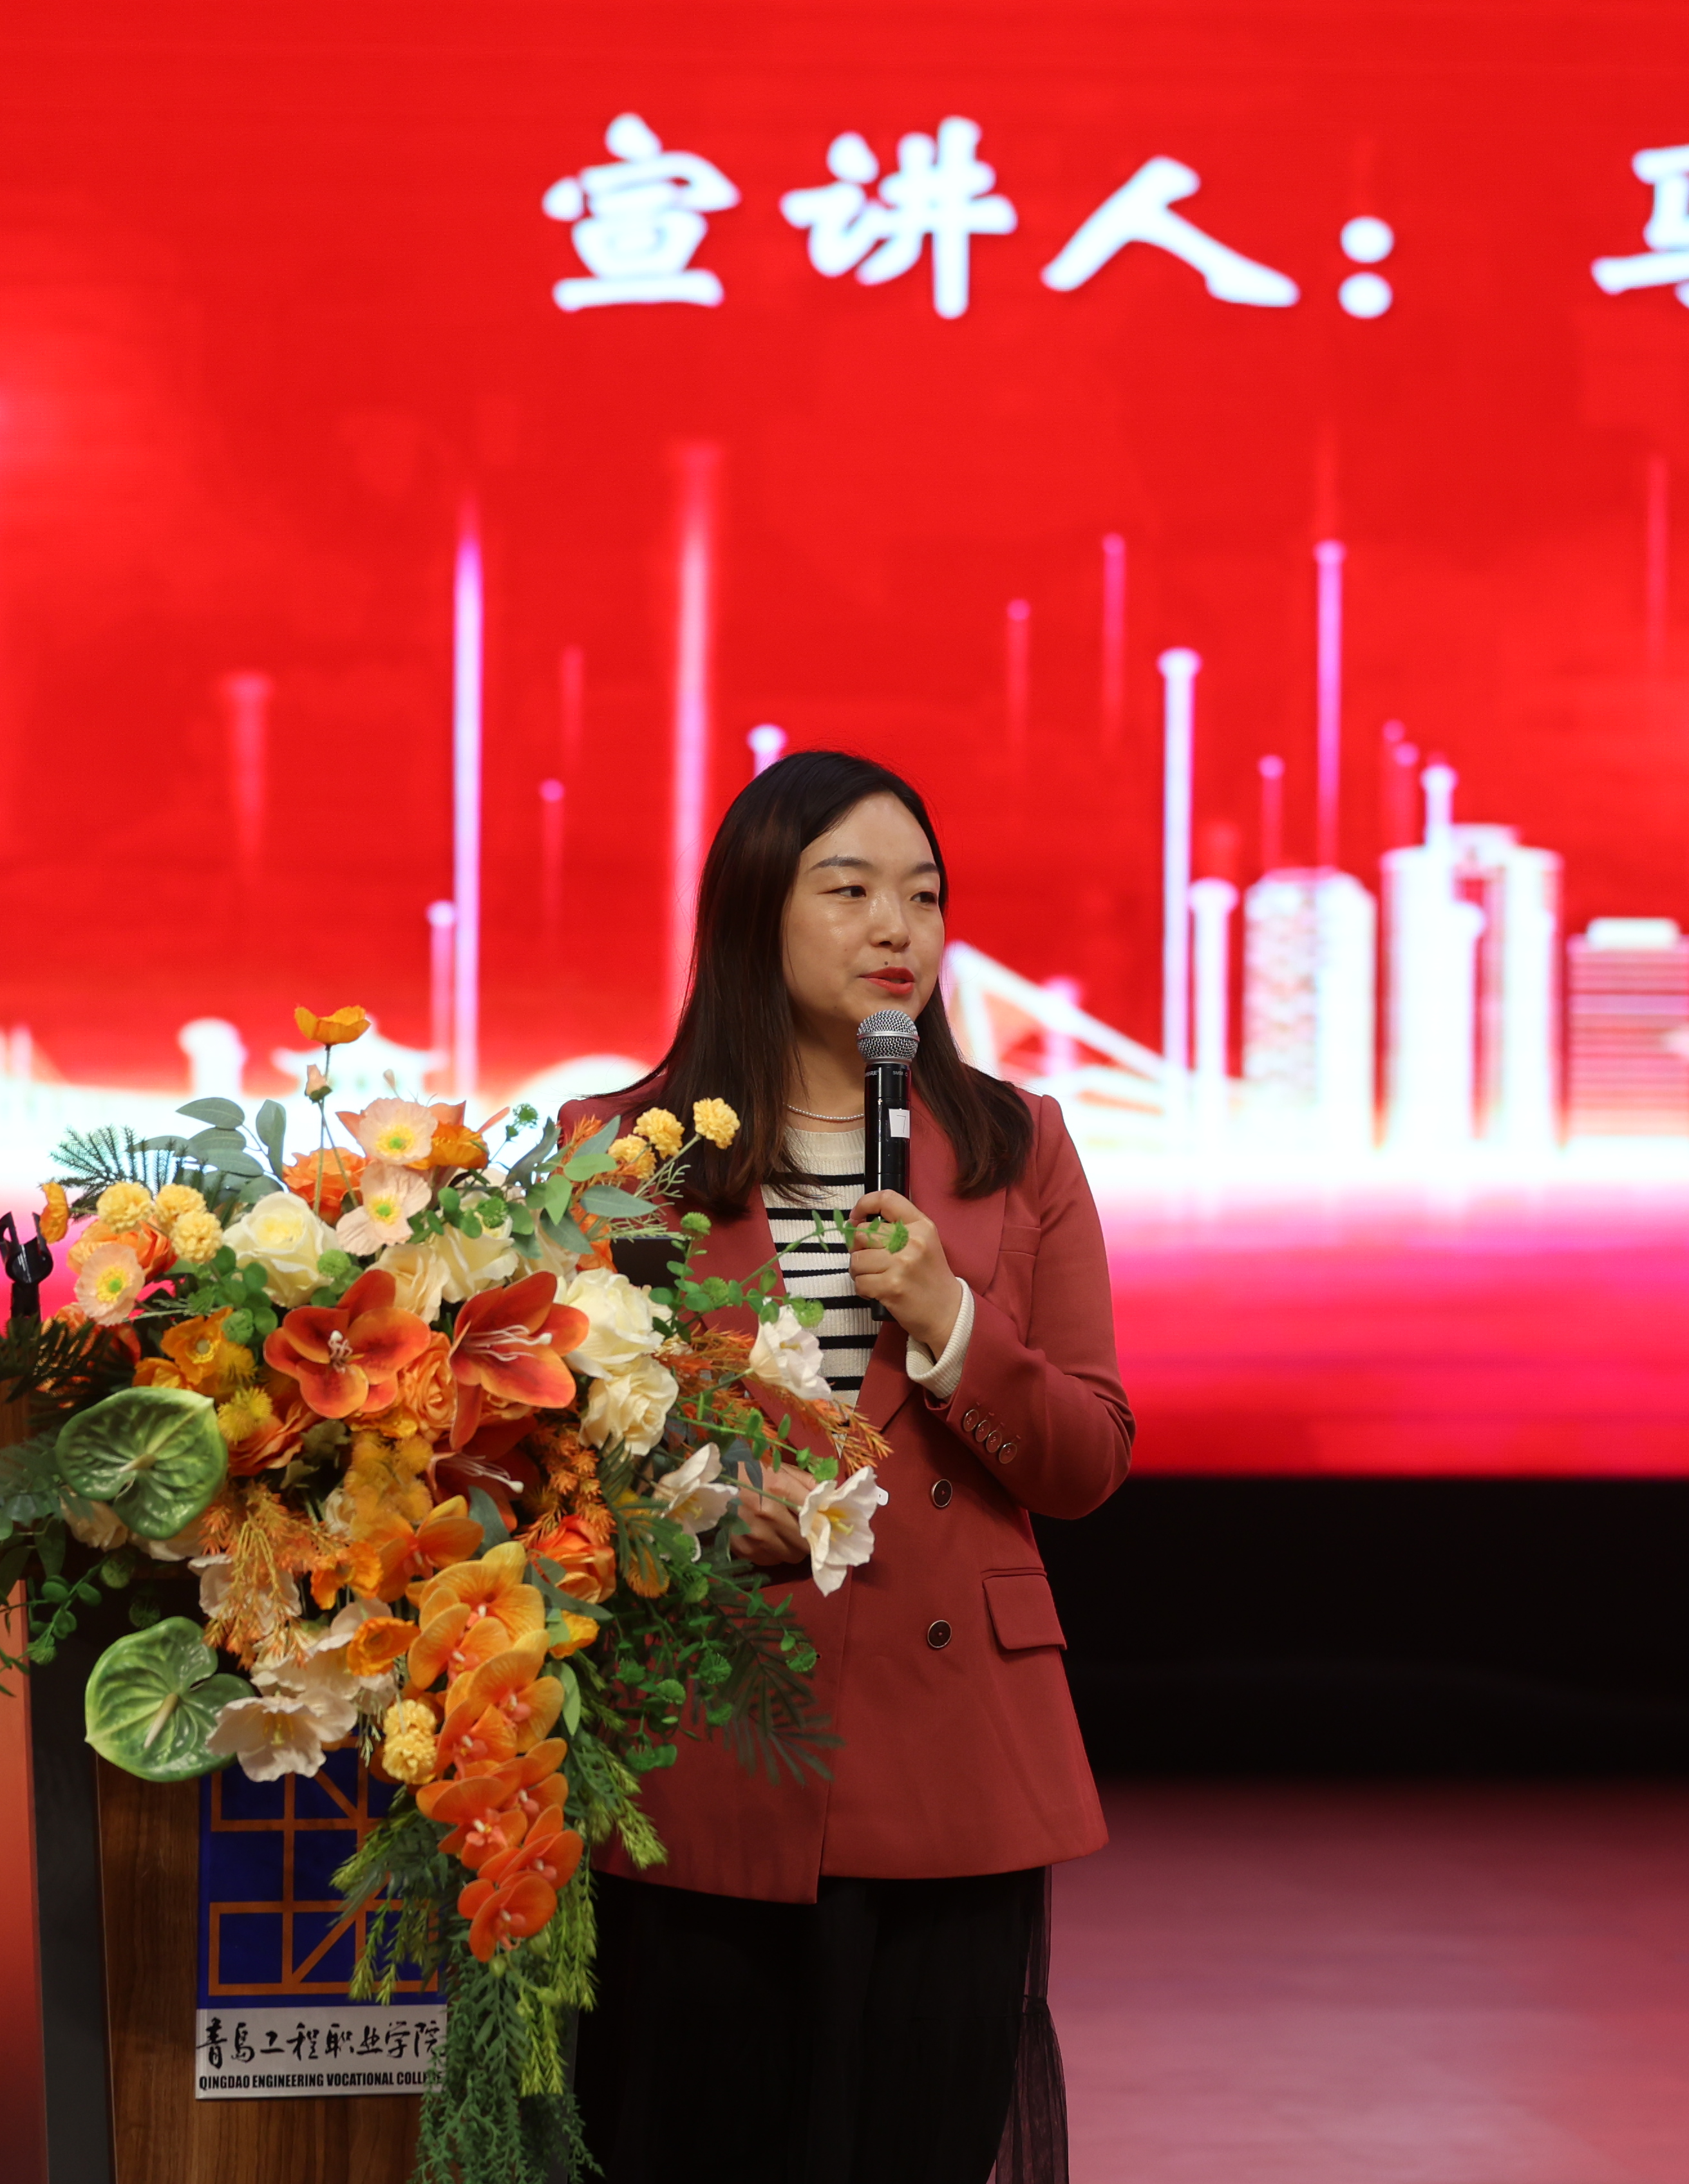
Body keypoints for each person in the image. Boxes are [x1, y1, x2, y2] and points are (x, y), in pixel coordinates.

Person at [562, 751, 1131, 2184]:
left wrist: (953, 1325)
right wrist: (695, 1506)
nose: (898, 929)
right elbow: (547, 1443)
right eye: (851, 889)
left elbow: (1086, 1456)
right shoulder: (622, 1150)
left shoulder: (1016, 1145)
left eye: (925, 897)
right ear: (754, 909)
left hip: (951, 1762)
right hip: (706, 1741)